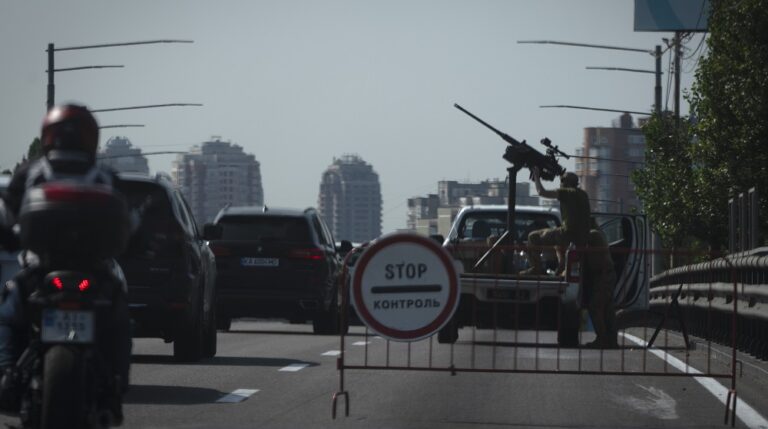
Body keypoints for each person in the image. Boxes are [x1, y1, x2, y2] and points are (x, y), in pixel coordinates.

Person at [0, 104, 132, 423]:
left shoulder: (32, 172)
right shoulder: (104, 176)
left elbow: (8, 214)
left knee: (10, 309)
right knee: (119, 315)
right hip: (92, 272)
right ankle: (115, 386)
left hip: (42, 270)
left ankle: (6, 375)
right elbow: (130, 224)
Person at [521, 167, 591, 276]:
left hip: (567, 234)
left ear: (565, 183)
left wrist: (536, 176)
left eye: (561, 182)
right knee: (557, 243)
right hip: (581, 238)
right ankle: (561, 267)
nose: (560, 184)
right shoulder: (583, 194)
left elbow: (541, 192)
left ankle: (536, 268)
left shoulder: (566, 192)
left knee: (533, 237)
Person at [583, 219, 618, 348]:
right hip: (605, 274)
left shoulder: (593, 234)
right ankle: (611, 340)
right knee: (607, 309)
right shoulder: (598, 234)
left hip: (604, 275)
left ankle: (602, 339)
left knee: (595, 306)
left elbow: (579, 239)